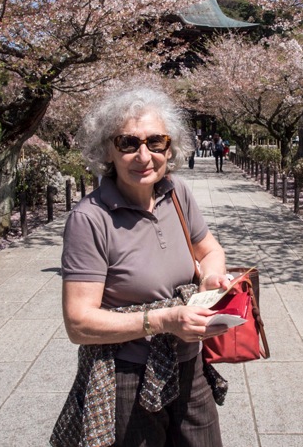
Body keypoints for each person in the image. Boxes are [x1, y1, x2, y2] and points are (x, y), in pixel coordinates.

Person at [52, 87, 231, 447]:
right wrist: (163, 320)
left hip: (190, 365)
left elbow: (210, 250)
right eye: (128, 143)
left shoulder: (176, 193)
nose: (144, 155)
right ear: (108, 150)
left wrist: (210, 280)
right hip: (127, 378)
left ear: (170, 147)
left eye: (156, 142)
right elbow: (79, 322)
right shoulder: (91, 219)